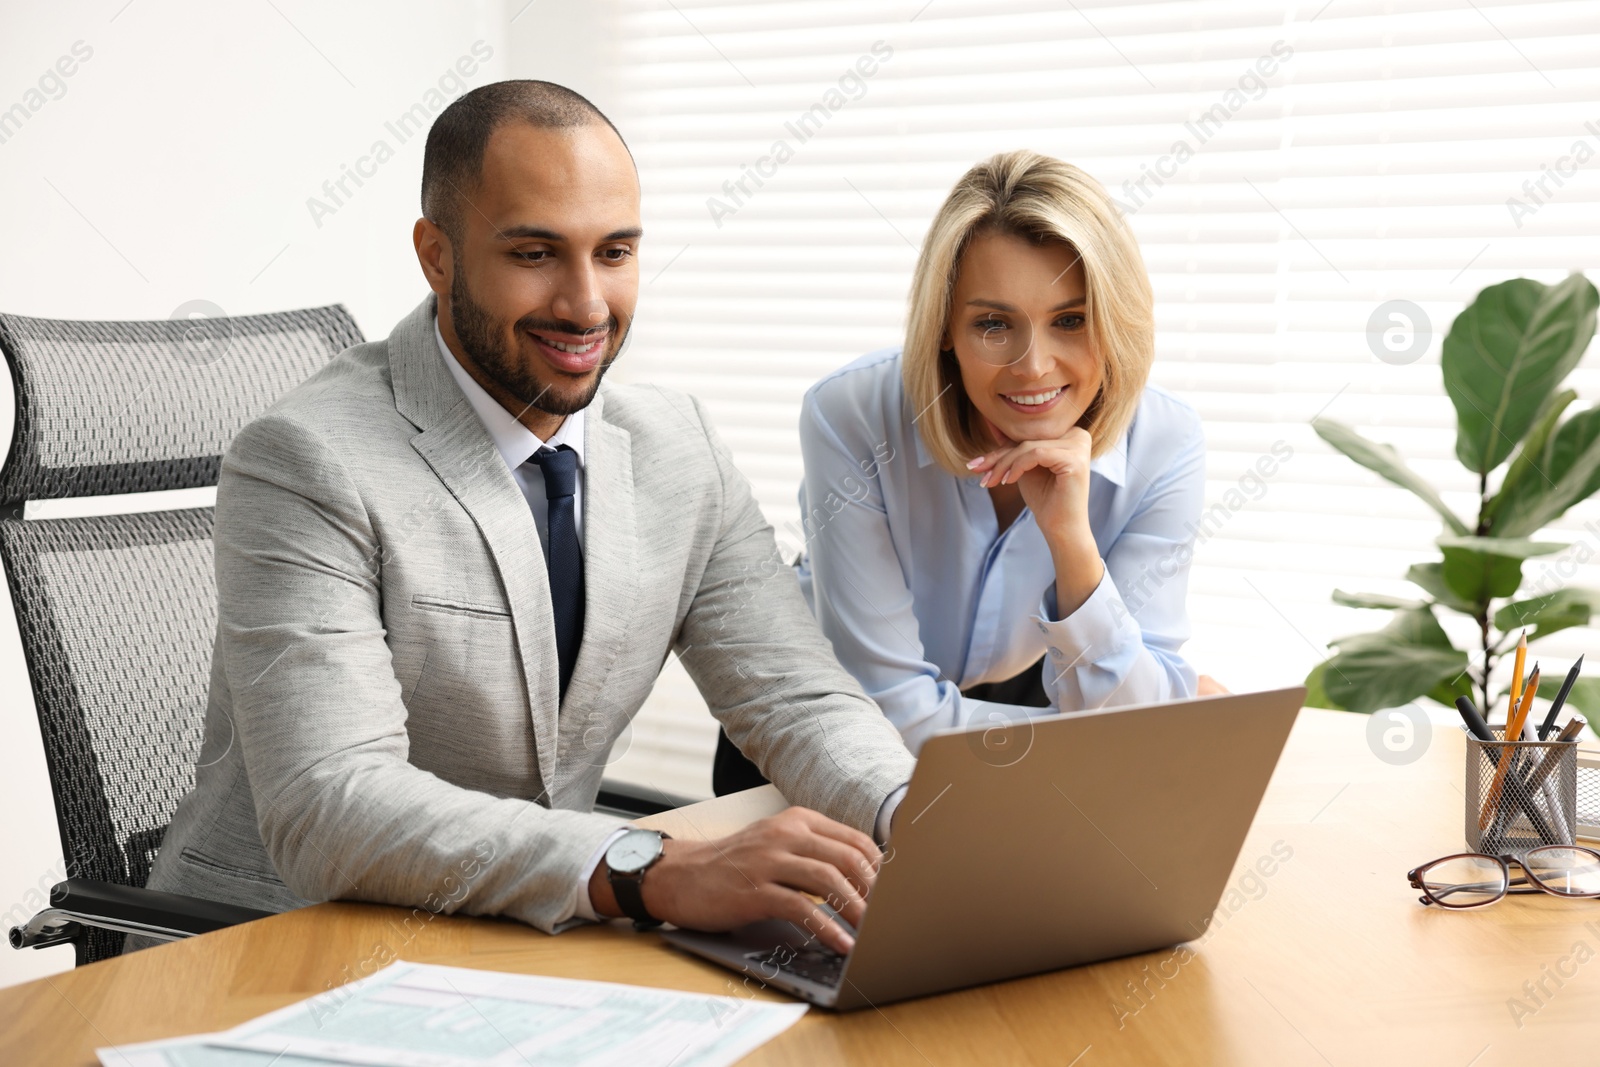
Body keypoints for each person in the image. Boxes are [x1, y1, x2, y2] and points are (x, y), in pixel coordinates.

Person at [138, 81, 913, 956]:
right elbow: (332, 799)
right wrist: (647, 867)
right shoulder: (306, 459)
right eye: (537, 253)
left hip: (521, 943)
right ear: (437, 254)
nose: (586, 305)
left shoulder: (678, 448)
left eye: (614, 252)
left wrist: (920, 819)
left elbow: (797, 696)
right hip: (269, 950)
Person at [794, 150, 1207, 756]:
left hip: (1014, 708)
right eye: (993, 324)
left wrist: (1072, 541)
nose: (1033, 366)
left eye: (1071, 320)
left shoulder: (1165, 442)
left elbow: (1142, 732)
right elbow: (888, 709)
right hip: (830, 727)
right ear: (942, 327)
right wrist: (1103, 739)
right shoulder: (853, 415)